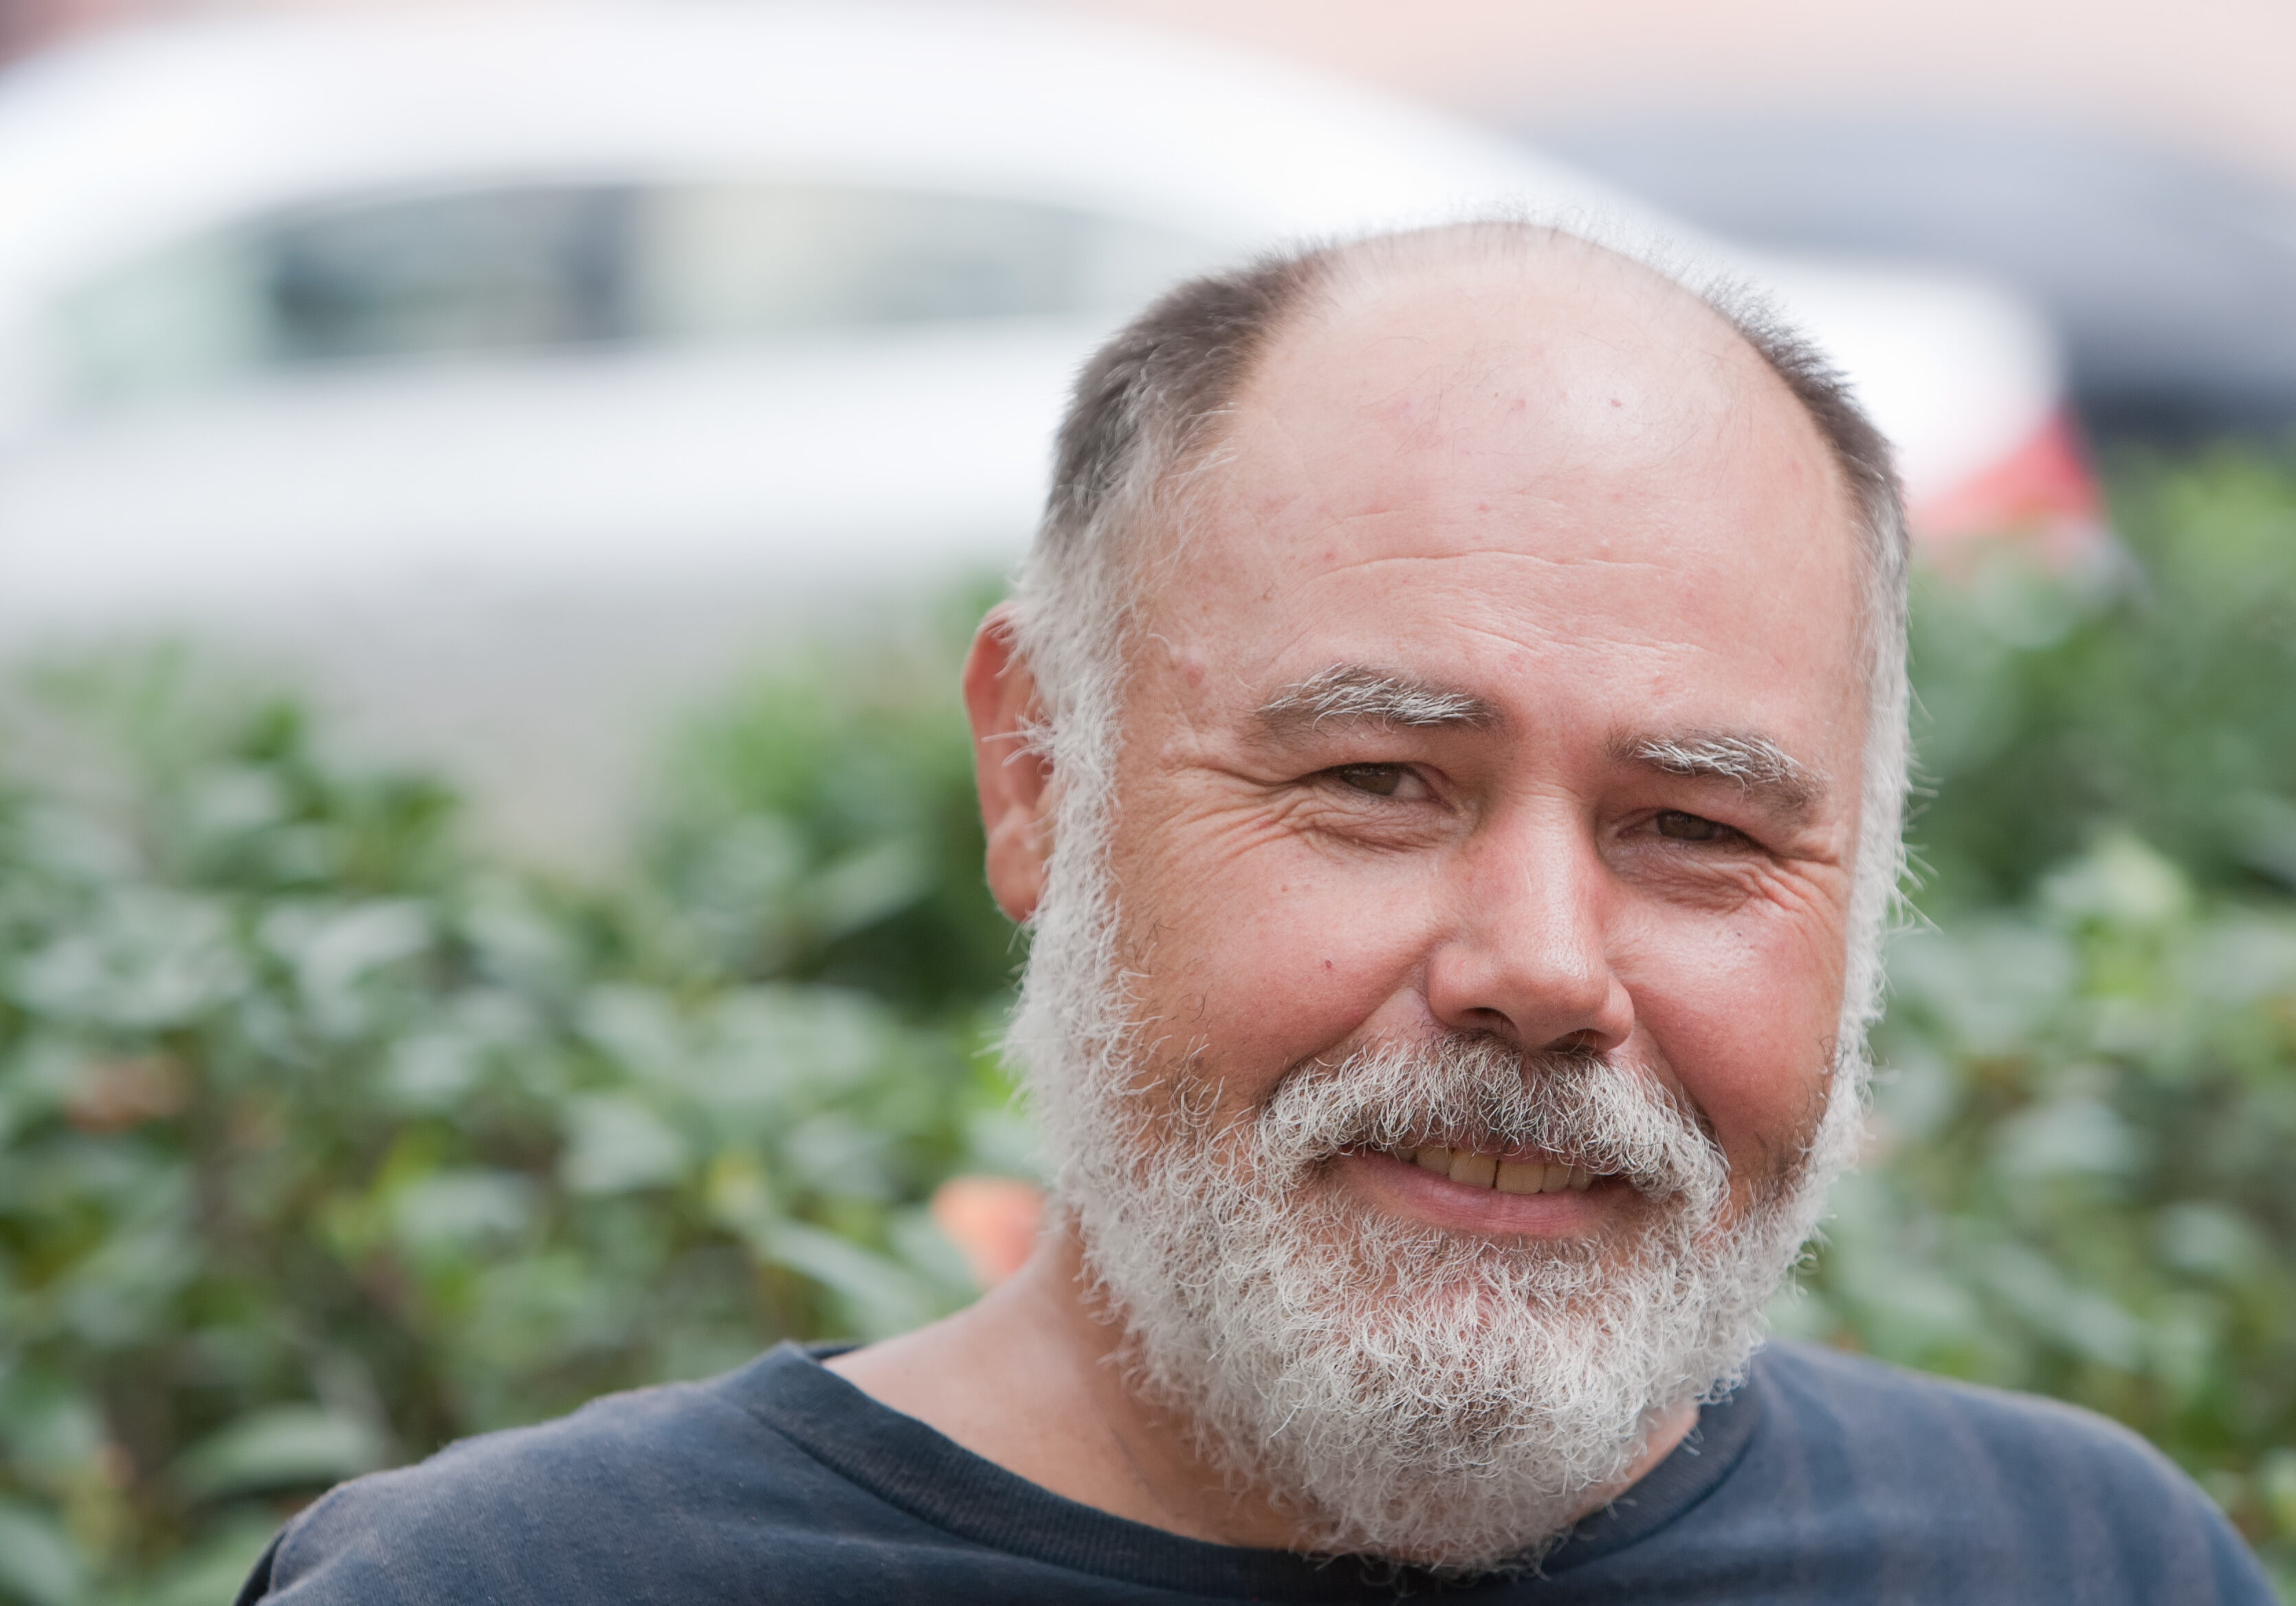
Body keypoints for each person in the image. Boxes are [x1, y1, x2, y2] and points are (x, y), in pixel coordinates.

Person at [237, 222, 2274, 1603]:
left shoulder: (2072, 1563)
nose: (1543, 973)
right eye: (1379, 784)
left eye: (1693, 828)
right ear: (1038, 778)